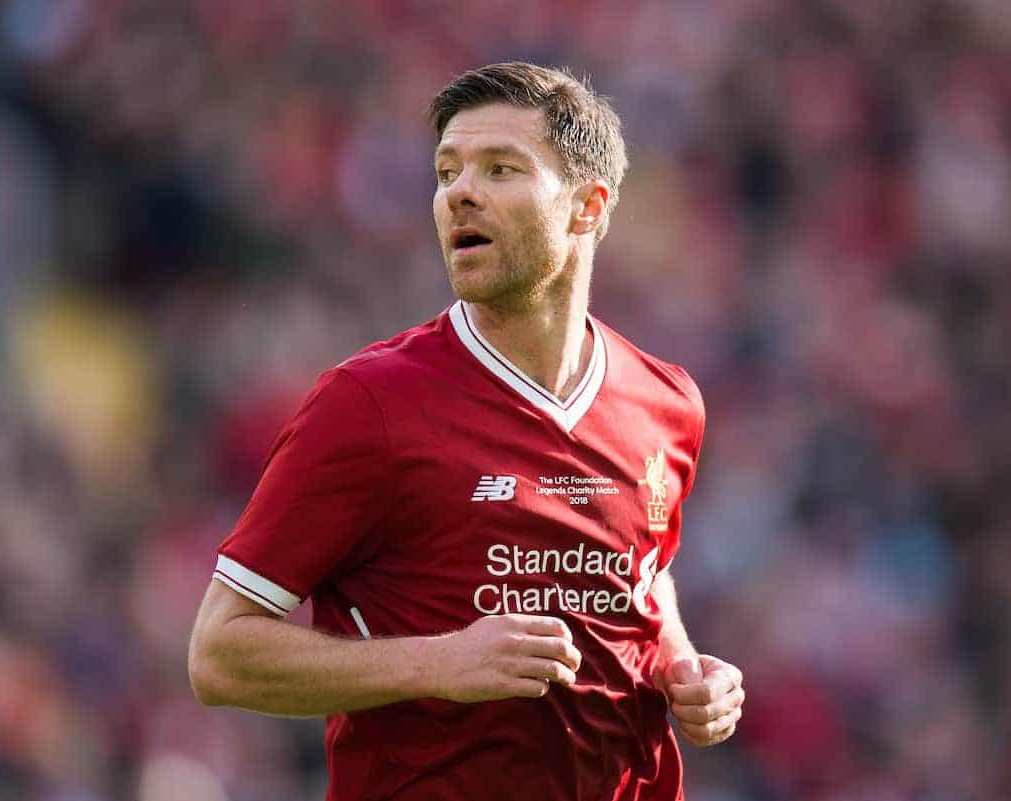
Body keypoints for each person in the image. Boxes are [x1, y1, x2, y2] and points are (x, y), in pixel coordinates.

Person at [188, 62, 744, 801]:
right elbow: (219, 654)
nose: (460, 192)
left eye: (501, 168)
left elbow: (643, 572)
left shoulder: (667, 400)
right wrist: (441, 663)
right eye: (447, 171)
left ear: (587, 206)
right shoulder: (369, 403)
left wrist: (681, 664)